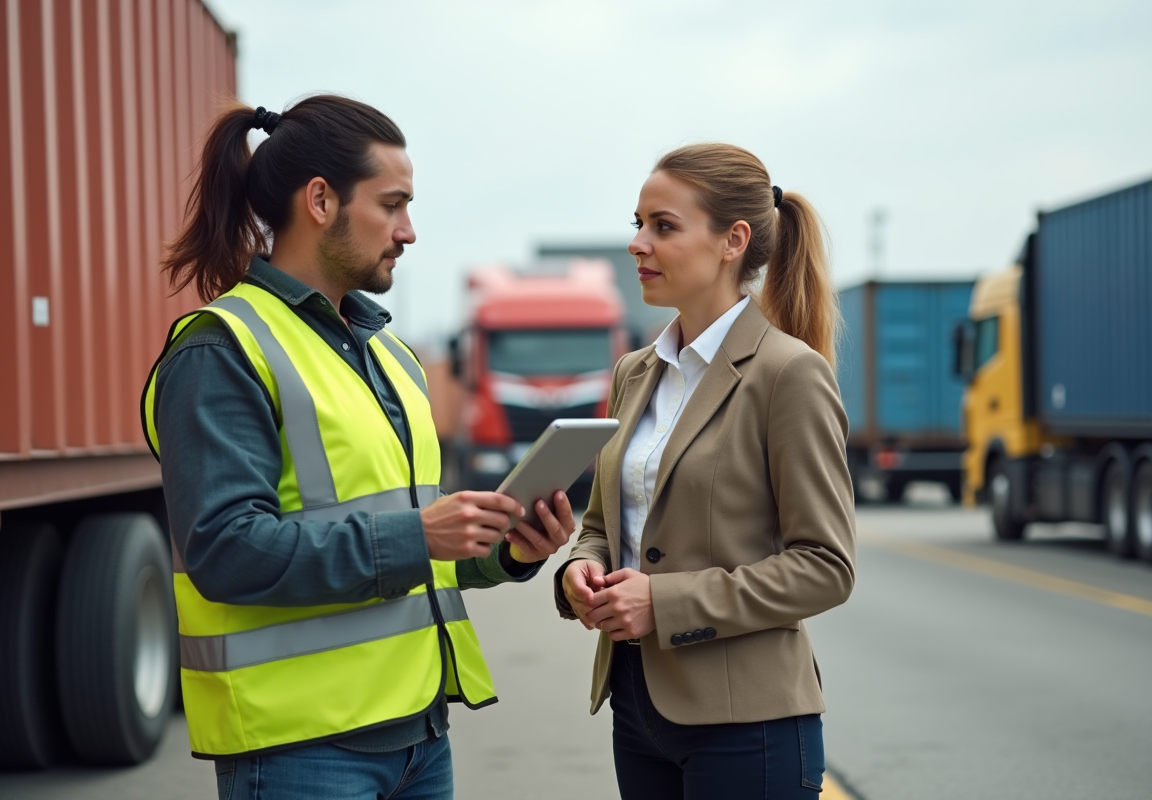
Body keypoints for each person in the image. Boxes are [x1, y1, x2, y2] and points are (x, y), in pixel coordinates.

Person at [142, 95, 575, 800]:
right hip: (301, 751)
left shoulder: (391, 355)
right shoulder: (222, 350)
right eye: (393, 204)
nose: (409, 231)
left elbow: (416, 548)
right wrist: (417, 536)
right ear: (320, 200)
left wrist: (508, 552)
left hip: (420, 738)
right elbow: (224, 549)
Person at [553, 143, 856, 800]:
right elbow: (605, 524)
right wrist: (583, 569)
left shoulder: (788, 375)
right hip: (636, 706)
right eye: (636, 223)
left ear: (732, 241)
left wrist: (662, 603)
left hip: (749, 724)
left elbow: (826, 568)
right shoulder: (634, 373)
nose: (637, 243)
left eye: (662, 226)